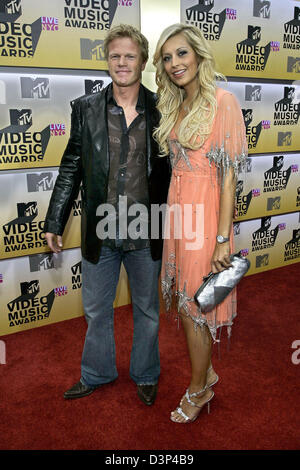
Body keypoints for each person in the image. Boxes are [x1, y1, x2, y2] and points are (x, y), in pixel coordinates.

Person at [44, 24, 170, 406]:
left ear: (143, 61)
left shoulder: (163, 109)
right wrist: (54, 220)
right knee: (97, 310)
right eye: (115, 55)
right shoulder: (86, 108)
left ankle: (146, 373)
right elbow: (71, 167)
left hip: (146, 230)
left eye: (129, 55)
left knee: (147, 310)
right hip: (101, 228)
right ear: (106, 61)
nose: (121, 62)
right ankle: (97, 373)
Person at [153, 24, 247, 423]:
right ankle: (205, 371)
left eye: (182, 54)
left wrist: (223, 240)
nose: (175, 63)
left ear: (199, 56)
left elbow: (228, 177)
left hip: (206, 215)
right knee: (187, 300)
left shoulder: (222, 102)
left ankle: (199, 390)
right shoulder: (175, 104)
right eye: (167, 57)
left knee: (197, 305)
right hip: (179, 212)